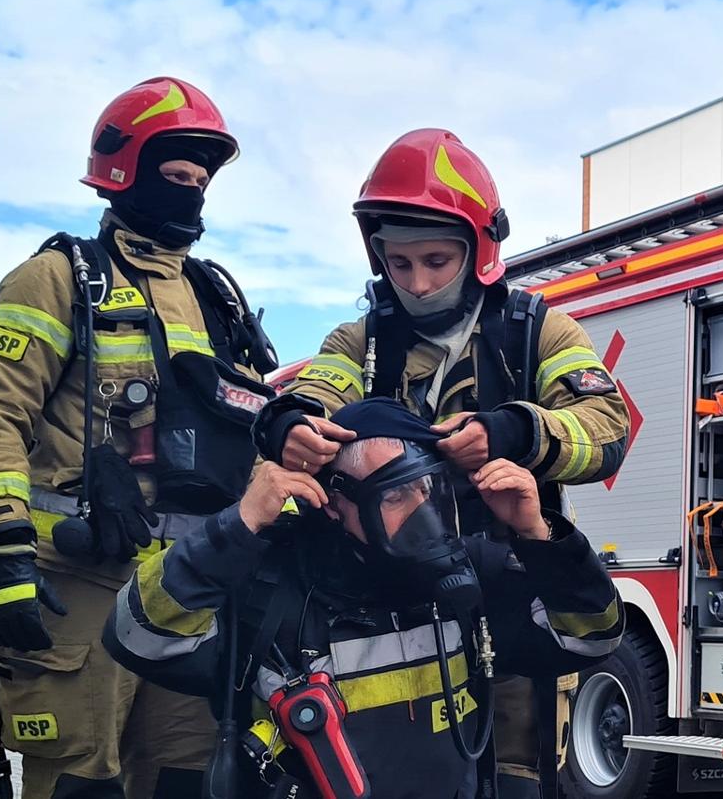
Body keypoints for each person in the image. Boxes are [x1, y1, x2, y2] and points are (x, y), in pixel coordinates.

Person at [258, 128, 630, 796]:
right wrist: (287, 424)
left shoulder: (536, 332)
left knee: (515, 776)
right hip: (391, 610)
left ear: (479, 250)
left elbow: (607, 429)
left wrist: (514, 430)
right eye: (398, 263)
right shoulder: (359, 340)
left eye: (436, 259)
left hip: (513, 594)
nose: (418, 283)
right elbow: (314, 396)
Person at [0, 76, 278, 799]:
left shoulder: (218, 299)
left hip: (191, 592)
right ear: (123, 171)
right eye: (175, 176)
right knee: (80, 783)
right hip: (82, 583)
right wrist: (5, 555)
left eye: (200, 180)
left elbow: (256, 433)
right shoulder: (56, 280)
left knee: (185, 782)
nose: (191, 192)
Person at [104, 398, 624, 798]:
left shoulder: (470, 576)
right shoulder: (273, 586)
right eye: (395, 495)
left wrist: (539, 536)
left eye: (429, 489)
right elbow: (138, 635)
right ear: (334, 504)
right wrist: (237, 526)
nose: (422, 513)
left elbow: (593, 635)